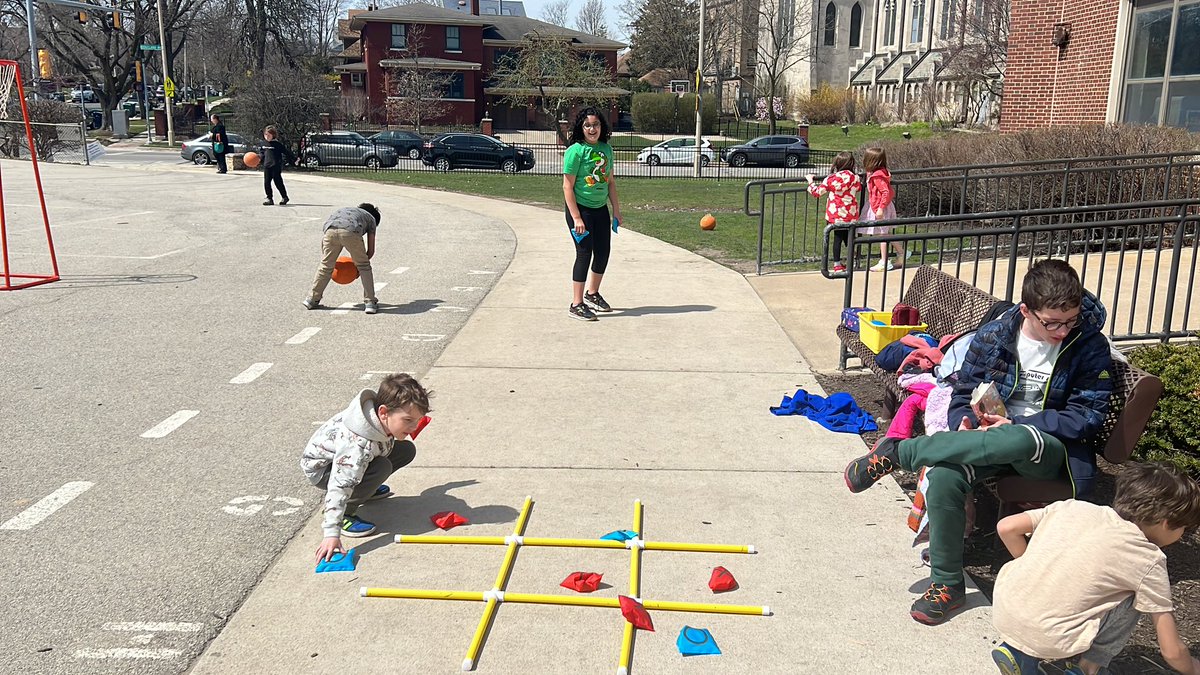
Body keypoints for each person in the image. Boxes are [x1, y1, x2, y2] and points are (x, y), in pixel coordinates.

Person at [843, 259, 1114, 625]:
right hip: (987, 442)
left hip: (1051, 450)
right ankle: (947, 584)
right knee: (944, 477)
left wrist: (1016, 421)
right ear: (1026, 311)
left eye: (1070, 320)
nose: (1062, 331)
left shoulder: (1089, 345)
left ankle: (900, 452)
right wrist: (965, 422)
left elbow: (1086, 416)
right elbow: (962, 393)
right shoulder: (995, 336)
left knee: (1017, 435)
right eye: (1051, 322)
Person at [990, 463, 1200, 675]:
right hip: (1051, 635)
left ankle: (1019, 653)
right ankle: (1088, 668)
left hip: (1004, 612)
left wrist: (1033, 564)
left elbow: (1006, 527)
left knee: (1057, 578)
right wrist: (1193, 668)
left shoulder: (1073, 507)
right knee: (1136, 597)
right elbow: (1171, 651)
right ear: (1166, 523)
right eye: (1184, 528)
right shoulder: (1147, 558)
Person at [301, 373, 431, 562]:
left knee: (405, 450)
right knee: (381, 467)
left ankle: (365, 486)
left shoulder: (380, 418)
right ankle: (348, 511)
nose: (414, 426)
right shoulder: (357, 446)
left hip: (356, 458)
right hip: (324, 471)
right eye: (408, 420)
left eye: (418, 420)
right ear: (384, 412)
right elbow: (339, 485)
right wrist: (331, 534)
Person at [563, 106, 623, 322]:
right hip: (580, 211)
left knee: (603, 252)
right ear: (581, 127)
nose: (592, 128)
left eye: (595, 124)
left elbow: (611, 182)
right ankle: (576, 304)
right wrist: (577, 218)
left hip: (600, 210)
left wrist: (616, 209)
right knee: (584, 253)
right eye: (587, 125)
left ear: (601, 126)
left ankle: (592, 294)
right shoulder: (575, 151)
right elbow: (567, 187)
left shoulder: (606, 149)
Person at [302, 203, 381, 314]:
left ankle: (311, 299)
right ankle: (370, 303)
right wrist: (359, 267)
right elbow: (371, 251)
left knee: (325, 266)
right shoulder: (371, 219)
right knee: (364, 266)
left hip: (330, 230)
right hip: (351, 231)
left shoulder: (346, 211)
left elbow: (324, 243)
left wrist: (328, 259)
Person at [806, 152, 862, 276]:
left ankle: (837, 264)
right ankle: (851, 261)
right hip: (851, 214)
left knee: (837, 239)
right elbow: (858, 188)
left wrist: (810, 181)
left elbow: (817, 192)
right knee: (850, 238)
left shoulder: (831, 179)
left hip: (836, 215)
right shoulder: (855, 177)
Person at [860, 146, 907, 272]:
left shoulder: (878, 176)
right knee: (884, 233)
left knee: (883, 235)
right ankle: (902, 253)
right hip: (879, 206)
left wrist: (880, 208)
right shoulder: (878, 173)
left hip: (881, 207)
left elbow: (887, 192)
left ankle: (884, 261)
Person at [260, 125, 293, 206]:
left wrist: (294, 159)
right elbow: (262, 153)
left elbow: (286, 152)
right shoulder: (264, 144)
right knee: (267, 182)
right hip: (267, 166)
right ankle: (269, 198)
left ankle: (284, 197)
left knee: (278, 182)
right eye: (265, 135)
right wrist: (259, 159)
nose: (267, 136)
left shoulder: (277, 144)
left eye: (269, 135)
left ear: (273, 135)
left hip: (275, 166)